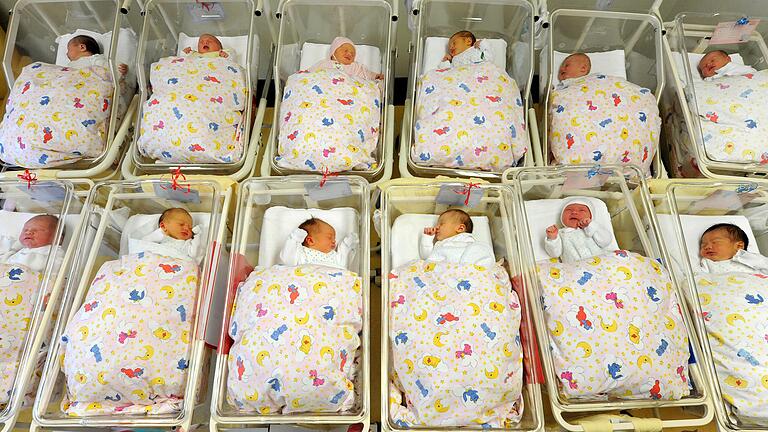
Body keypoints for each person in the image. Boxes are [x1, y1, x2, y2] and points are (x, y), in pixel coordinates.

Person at [545, 198, 612, 263]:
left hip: (600, 263)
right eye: (569, 210)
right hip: (575, 269)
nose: (574, 212)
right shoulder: (560, 234)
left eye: (581, 210)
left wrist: (591, 225)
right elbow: (555, 254)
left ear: (591, 217)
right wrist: (552, 239)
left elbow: (606, 241)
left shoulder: (593, 229)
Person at [420, 209, 495, 266]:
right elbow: (427, 257)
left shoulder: (467, 240)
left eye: (441, 224)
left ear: (460, 228)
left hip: (469, 269)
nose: (436, 227)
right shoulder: (440, 244)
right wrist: (428, 237)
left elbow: (479, 253)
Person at [129, 208, 204, 263]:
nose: (187, 228)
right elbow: (144, 245)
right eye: (181, 224)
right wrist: (160, 231)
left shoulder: (187, 243)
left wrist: (197, 234)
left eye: (190, 228)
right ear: (163, 226)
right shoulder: (160, 236)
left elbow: (195, 253)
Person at [279, 217, 358, 270]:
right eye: (329, 237)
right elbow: (287, 258)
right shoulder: (301, 253)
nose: (334, 241)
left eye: (334, 238)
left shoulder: (334, 256)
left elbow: (344, 263)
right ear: (310, 241)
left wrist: (347, 245)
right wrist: (295, 238)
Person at [0, 214, 64, 272]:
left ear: (57, 238)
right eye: (25, 230)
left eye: (39, 230)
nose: (28, 232)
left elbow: (53, 266)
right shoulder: (23, 250)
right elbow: (6, 261)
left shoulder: (53, 251)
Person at [699, 223, 768, 273]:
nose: (707, 247)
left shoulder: (749, 258)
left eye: (715, 242)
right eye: (703, 245)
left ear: (738, 246)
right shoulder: (707, 263)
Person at [308, 37, 384, 81]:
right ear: (333, 52)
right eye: (345, 51)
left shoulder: (355, 67)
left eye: (353, 54)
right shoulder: (324, 63)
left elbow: (367, 74)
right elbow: (310, 75)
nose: (349, 54)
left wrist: (376, 76)